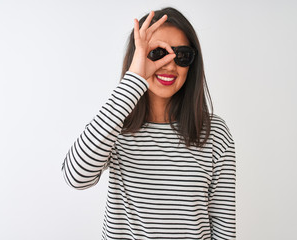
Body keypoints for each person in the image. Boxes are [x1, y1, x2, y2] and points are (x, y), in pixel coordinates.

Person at [61, 7, 236, 240]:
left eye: (182, 55)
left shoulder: (214, 133)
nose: (170, 65)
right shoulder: (114, 125)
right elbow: (75, 176)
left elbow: (223, 226)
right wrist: (134, 78)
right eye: (157, 53)